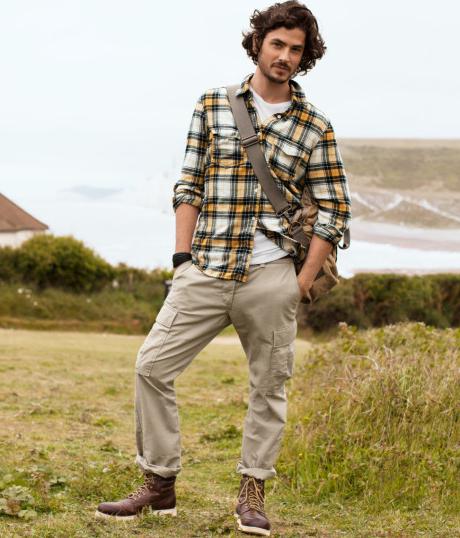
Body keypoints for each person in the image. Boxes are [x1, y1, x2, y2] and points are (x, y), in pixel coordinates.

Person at [95, 1, 351, 535]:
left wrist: (300, 283)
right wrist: (181, 260)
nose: (284, 56)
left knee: (269, 387)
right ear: (258, 43)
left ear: (305, 58)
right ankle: (159, 482)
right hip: (207, 266)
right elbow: (188, 183)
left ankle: (252, 493)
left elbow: (334, 211)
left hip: (272, 276)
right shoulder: (213, 103)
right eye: (277, 44)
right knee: (151, 366)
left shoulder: (316, 126)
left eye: (296, 49)